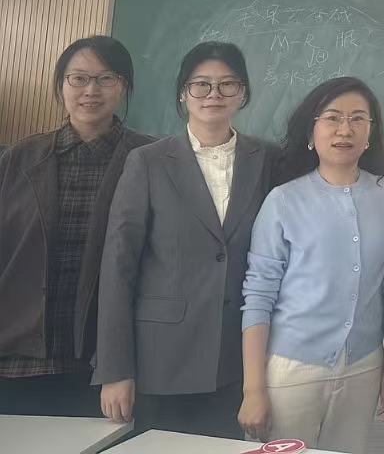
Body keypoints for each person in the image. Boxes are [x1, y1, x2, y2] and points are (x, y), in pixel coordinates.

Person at [95, 41, 273, 438]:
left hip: (236, 362)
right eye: (201, 84)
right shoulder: (148, 161)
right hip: (161, 360)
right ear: (183, 93)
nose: (214, 94)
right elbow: (119, 266)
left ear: (242, 93)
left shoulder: (267, 160)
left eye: (227, 84)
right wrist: (115, 368)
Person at [237, 77, 384, 454]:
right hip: (292, 370)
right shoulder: (283, 200)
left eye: (358, 119)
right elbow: (258, 296)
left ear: (371, 133)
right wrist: (253, 389)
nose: (345, 129)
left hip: (363, 366)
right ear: (311, 132)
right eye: (333, 118)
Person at [0, 37, 153, 416]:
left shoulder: (150, 159)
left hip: (104, 361)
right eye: (78, 78)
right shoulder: (19, 157)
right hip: (17, 355)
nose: (90, 90)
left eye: (105, 78)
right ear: (61, 85)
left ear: (124, 86)